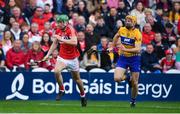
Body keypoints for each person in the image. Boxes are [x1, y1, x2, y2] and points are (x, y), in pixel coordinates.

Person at [43, 14, 87, 107]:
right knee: (56, 71)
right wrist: (48, 54)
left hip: (73, 58)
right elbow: (55, 43)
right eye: (58, 22)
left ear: (66, 22)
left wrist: (61, 39)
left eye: (60, 22)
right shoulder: (57, 29)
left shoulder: (71, 29)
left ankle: (83, 95)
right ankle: (62, 90)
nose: (59, 24)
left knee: (77, 80)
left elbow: (74, 42)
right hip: (62, 56)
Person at [112, 15, 142, 107]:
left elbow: (137, 49)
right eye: (126, 20)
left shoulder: (137, 33)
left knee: (135, 83)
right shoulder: (121, 29)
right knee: (117, 79)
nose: (127, 21)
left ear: (134, 23)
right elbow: (116, 37)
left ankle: (133, 101)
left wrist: (125, 49)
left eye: (130, 20)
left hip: (134, 58)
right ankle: (127, 77)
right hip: (123, 58)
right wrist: (114, 47)